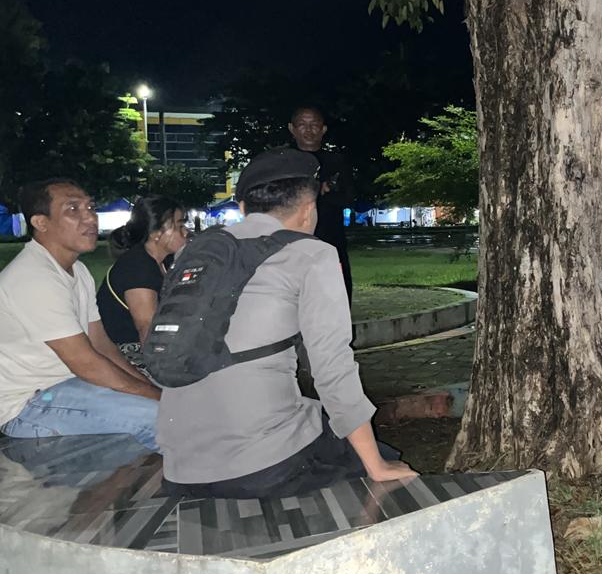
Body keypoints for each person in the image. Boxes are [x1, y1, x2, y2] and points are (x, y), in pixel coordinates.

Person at [156, 148, 415, 498]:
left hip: (179, 465)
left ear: (243, 208)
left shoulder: (196, 251)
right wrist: (376, 465)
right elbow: (332, 367)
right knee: (383, 461)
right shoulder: (312, 254)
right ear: (309, 209)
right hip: (263, 464)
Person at [0, 179, 160, 447]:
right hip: (27, 405)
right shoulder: (34, 277)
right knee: (164, 418)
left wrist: (148, 387)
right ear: (41, 222)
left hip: (69, 386)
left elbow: (102, 345)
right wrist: (156, 397)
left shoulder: (78, 271)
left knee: (166, 405)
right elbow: (86, 363)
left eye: (91, 207)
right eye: (73, 209)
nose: (90, 217)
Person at [96, 195, 189, 368]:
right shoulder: (138, 267)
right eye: (180, 226)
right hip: (126, 353)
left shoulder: (166, 262)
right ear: (156, 233)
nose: (186, 232)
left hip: (156, 344)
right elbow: (147, 329)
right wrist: (169, 371)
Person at [288, 105, 355, 302]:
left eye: (314, 125)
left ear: (323, 129)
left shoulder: (337, 161)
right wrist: (316, 188)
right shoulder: (282, 161)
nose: (309, 130)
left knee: (337, 296)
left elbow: (349, 197)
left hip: (331, 241)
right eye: (302, 124)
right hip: (292, 243)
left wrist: (325, 191)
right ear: (292, 129)